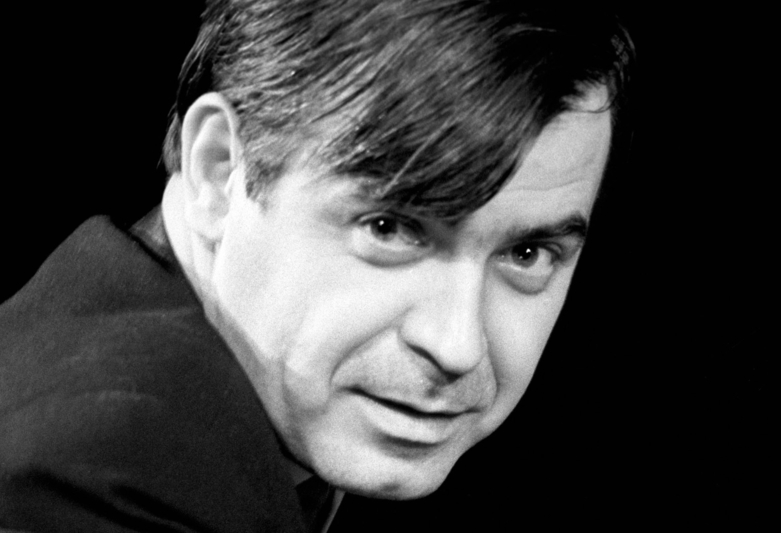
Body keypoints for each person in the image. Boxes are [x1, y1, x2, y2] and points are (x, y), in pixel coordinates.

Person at [1, 1, 634, 531]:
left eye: (527, 254)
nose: (457, 345)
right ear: (219, 171)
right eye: (389, 229)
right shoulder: (94, 483)